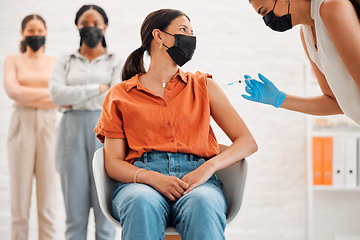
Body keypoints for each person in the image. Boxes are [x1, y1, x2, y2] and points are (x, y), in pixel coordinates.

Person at [94, 8, 258, 240]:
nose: (190, 38)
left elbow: (247, 143)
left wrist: (206, 169)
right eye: (183, 30)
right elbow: (113, 163)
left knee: (203, 204)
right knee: (141, 202)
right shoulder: (121, 94)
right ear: (158, 36)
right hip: (142, 181)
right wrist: (152, 178)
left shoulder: (204, 86)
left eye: (192, 32)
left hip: (198, 182)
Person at [49, 4, 120, 240]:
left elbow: (115, 97)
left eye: (96, 24)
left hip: (107, 133)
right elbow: (56, 95)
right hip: (70, 135)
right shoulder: (65, 61)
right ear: (77, 27)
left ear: (105, 26)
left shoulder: (116, 61)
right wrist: (96, 89)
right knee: (74, 213)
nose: (90, 29)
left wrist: (75, 96)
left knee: (105, 213)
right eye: (85, 24)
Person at [242, 0, 360, 125]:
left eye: (265, 12)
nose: (268, 20)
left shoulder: (332, 7)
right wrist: (279, 99)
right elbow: (335, 103)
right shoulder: (306, 34)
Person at [3, 14, 59, 240]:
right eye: (31, 31)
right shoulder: (12, 60)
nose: (35, 35)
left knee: (48, 204)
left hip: (49, 126)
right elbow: (13, 92)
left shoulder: (55, 62)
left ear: (46, 33)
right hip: (21, 125)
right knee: (20, 203)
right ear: (22, 34)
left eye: (39, 31)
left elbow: (60, 98)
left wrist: (28, 95)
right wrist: (50, 95)